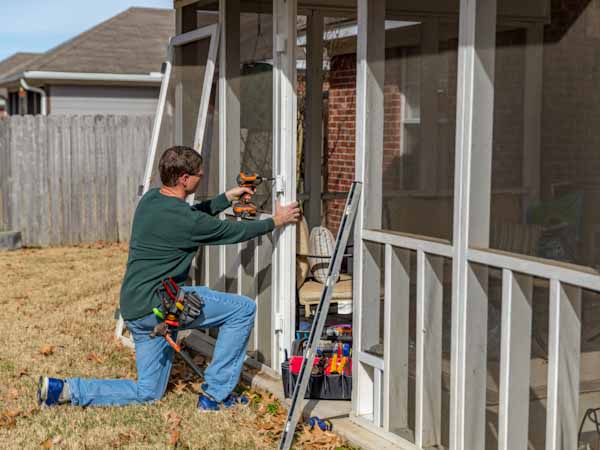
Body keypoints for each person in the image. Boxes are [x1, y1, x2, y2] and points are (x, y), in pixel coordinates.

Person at [38, 145, 300, 411]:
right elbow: (229, 231)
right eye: (199, 175)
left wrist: (226, 198)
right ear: (185, 178)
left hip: (135, 309)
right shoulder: (186, 220)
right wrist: (275, 221)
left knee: (148, 391)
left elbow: (192, 215)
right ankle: (215, 396)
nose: (201, 178)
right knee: (243, 309)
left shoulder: (151, 200)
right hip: (160, 309)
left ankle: (65, 389)